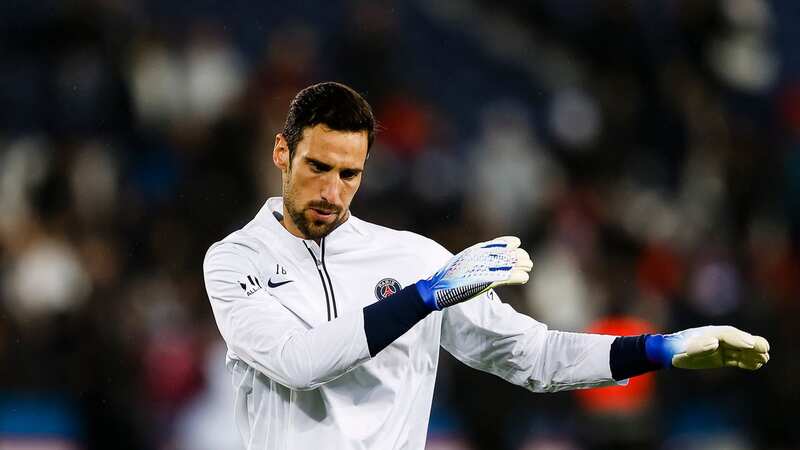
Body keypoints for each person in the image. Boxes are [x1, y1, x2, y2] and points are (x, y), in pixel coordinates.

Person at [202, 81, 770, 450]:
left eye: (349, 174)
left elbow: (534, 356)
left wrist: (661, 349)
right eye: (317, 167)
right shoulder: (234, 260)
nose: (332, 190)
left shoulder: (414, 258)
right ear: (283, 153)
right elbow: (300, 363)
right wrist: (424, 296)